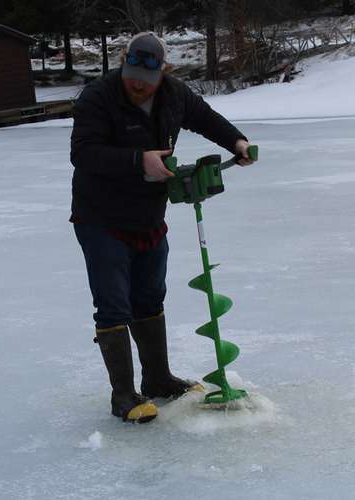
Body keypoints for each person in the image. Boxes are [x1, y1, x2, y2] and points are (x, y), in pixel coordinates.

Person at [70, 32, 256, 423]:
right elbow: (83, 153)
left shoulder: (174, 94)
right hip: (101, 217)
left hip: (149, 217)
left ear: (162, 73)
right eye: (131, 73)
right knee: (113, 305)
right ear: (124, 63)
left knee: (150, 298)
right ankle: (123, 395)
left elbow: (205, 118)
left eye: (146, 78)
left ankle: (157, 378)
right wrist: (139, 160)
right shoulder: (98, 96)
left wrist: (236, 142)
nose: (137, 84)